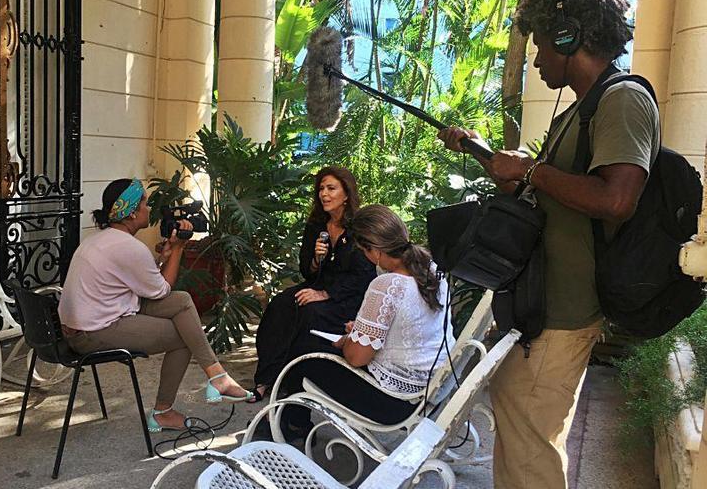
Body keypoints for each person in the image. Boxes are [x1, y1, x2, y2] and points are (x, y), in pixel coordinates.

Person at [438, 0, 656, 487]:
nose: (535, 61)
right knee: (524, 435)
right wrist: (482, 153)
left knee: (530, 445)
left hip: (565, 311)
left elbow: (618, 199)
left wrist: (532, 168)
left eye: (540, 47)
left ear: (569, 38)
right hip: (542, 306)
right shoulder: (579, 112)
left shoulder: (622, 98)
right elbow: (543, 193)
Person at [58, 178, 252, 433]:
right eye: (144, 204)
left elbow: (144, 283)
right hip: (91, 334)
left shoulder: (102, 239)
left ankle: (216, 376)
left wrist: (165, 256)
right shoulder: (128, 247)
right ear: (131, 212)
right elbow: (161, 290)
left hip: (85, 323)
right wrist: (181, 247)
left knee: (182, 302)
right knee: (185, 336)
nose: (149, 209)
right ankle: (164, 411)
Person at [276, 204, 453, 429]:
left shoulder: (387, 284)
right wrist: (362, 331)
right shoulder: (431, 270)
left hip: (395, 403)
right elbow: (412, 326)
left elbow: (356, 358)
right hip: (431, 388)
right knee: (313, 344)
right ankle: (294, 424)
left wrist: (348, 340)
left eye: (364, 251)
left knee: (303, 352)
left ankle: (290, 426)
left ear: (375, 250)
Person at [249, 166, 376, 402]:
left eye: (331, 188)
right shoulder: (316, 226)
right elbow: (306, 271)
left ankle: (295, 379)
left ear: (346, 194)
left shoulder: (360, 228)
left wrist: (326, 294)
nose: (324, 194)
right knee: (280, 305)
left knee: (309, 312)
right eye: (321, 189)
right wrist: (317, 260)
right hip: (318, 284)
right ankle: (267, 378)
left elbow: (363, 275)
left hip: (348, 295)